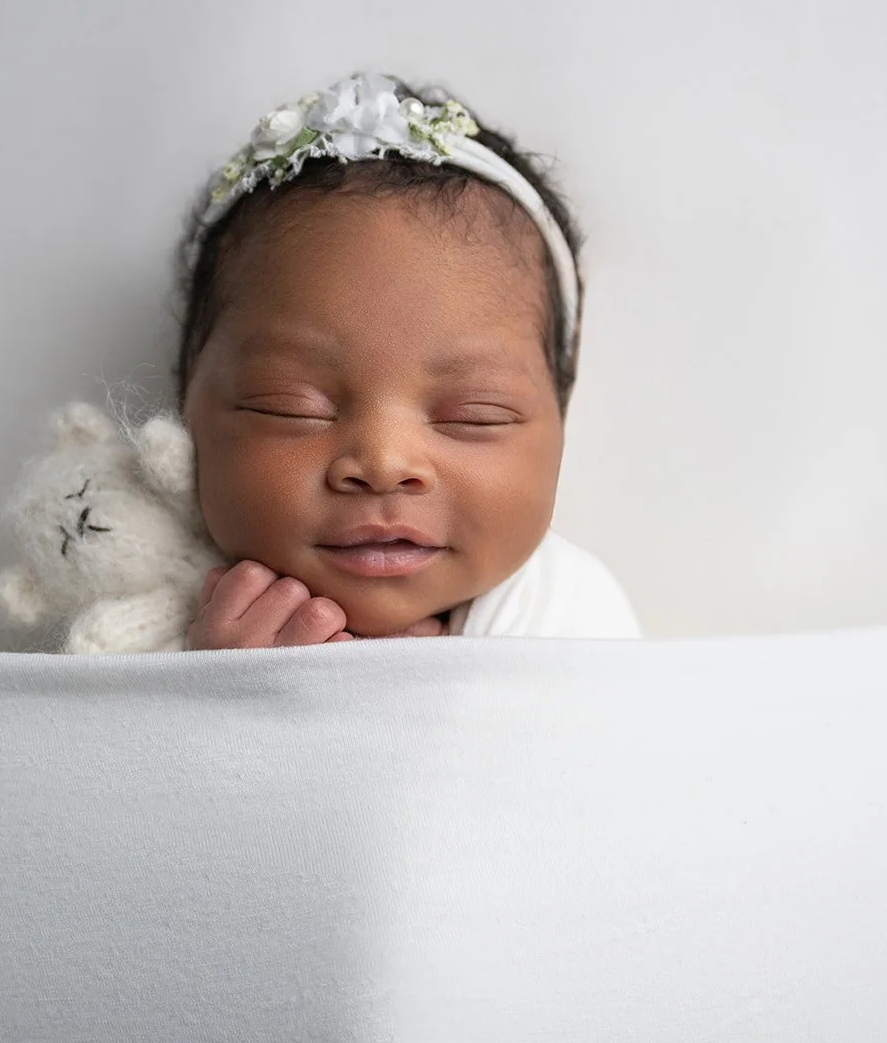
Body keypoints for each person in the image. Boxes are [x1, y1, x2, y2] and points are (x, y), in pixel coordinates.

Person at [174, 72, 641, 648]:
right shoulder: (140, 597)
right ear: (182, 408)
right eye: (289, 406)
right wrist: (203, 697)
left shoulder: (564, 613)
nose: (384, 462)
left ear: (560, 420)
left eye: (475, 414)